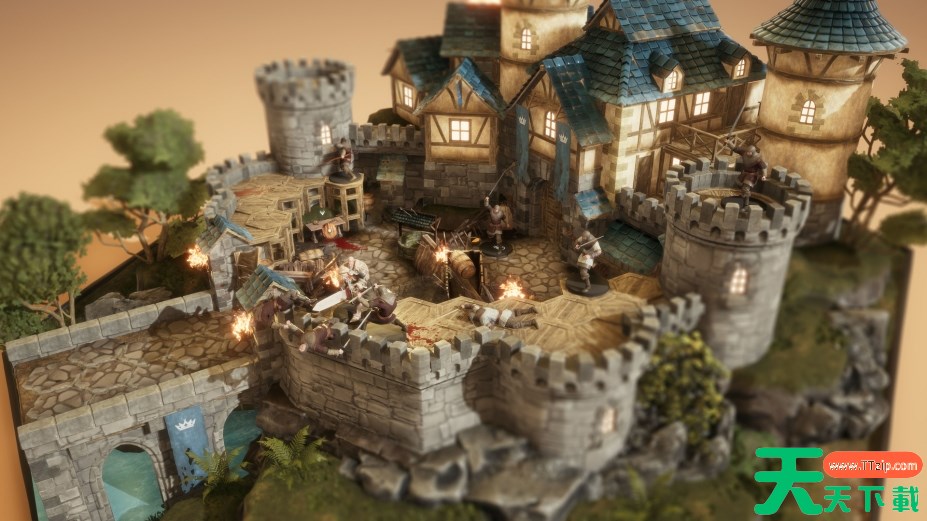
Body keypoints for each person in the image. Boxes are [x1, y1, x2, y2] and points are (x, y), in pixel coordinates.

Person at [725, 139, 768, 205]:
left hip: (752, 175)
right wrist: (729, 143)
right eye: (747, 152)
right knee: (739, 184)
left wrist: (764, 175)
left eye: (750, 152)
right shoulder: (744, 152)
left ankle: (746, 204)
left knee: (745, 189)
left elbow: (764, 167)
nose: (748, 153)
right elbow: (735, 149)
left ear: (753, 152)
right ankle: (743, 195)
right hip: (744, 173)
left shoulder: (758, 159)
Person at [273, 318, 343, 356]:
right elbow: (326, 351)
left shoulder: (302, 339)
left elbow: (296, 331)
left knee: (334, 319)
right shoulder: (314, 346)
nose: (301, 347)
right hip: (328, 332)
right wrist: (337, 352)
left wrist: (290, 325)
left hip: (322, 325)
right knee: (337, 322)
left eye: (300, 348)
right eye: (302, 349)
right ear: (305, 350)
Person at [460, 303, 538, 329]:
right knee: (516, 312)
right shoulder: (481, 308)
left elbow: (491, 327)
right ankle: (530, 310)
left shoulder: (482, 319)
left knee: (516, 325)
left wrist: (486, 326)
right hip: (506, 312)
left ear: (475, 318)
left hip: (503, 319)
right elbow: (472, 305)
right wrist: (464, 306)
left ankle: (532, 322)